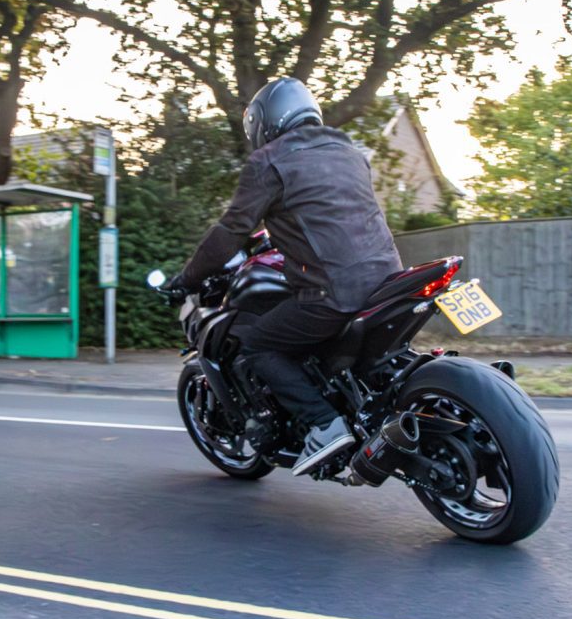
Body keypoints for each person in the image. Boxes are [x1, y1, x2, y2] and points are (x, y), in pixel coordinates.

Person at [170, 77, 402, 476]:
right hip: (388, 280)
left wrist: (188, 278)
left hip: (333, 292)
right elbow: (330, 216)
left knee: (256, 344)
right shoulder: (348, 150)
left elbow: (230, 232)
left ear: (266, 122)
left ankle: (324, 424)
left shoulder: (269, 161)